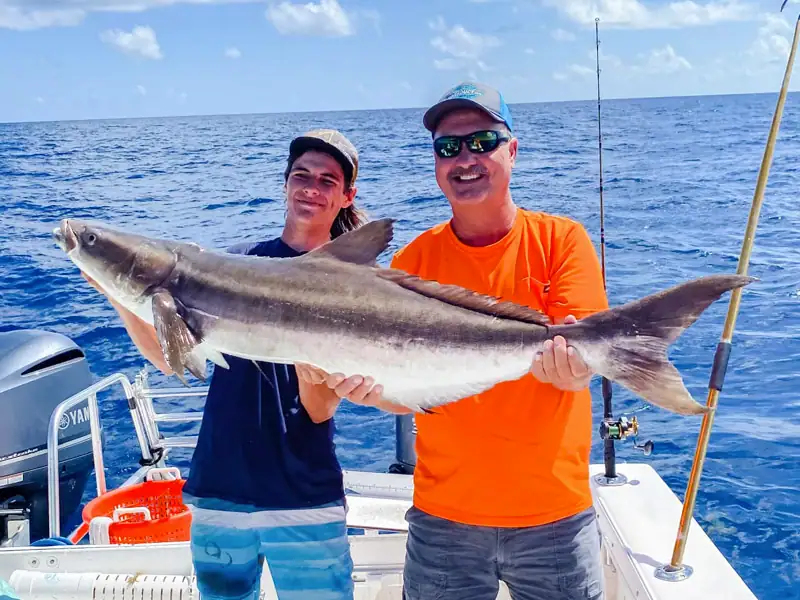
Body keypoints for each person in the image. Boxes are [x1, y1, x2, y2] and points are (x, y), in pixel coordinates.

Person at [310, 82, 609, 600]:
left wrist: (580, 366)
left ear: (511, 150)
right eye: (448, 148)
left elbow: (579, 360)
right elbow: (406, 390)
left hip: (555, 516)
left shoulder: (562, 241)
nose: (465, 158)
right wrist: (367, 391)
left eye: (482, 142)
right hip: (443, 519)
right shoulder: (413, 262)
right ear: (435, 162)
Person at [81, 128, 369, 600]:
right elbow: (172, 359)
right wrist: (122, 297)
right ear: (285, 184)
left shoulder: (355, 286)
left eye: (326, 180)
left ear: (346, 196)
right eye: (301, 176)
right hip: (219, 487)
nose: (311, 189)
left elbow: (321, 407)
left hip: (304, 495)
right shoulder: (234, 262)